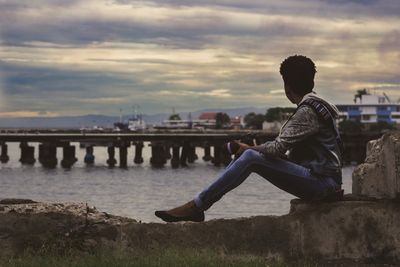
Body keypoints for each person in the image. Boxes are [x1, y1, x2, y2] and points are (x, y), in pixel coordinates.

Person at [155, 55, 343, 223]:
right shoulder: (316, 106)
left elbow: (276, 149)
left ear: (287, 86)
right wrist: (249, 150)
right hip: (324, 181)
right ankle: (199, 204)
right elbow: (293, 156)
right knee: (248, 156)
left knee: (250, 158)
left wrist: (247, 149)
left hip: (324, 185)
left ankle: (197, 206)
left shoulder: (307, 111)